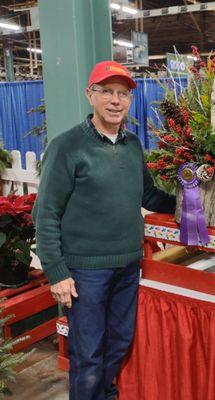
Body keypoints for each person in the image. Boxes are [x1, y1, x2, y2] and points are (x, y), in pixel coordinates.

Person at [32, 61, 175, 400]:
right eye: (106, 92)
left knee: (119, 342)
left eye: (122, 93)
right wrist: (56, 272)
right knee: (88, 353)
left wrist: (192, 206)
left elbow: (149, 194)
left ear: (129, 100)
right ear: (90, 95)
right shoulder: (66, 147)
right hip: (85, 271)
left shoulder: (132, 144)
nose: (115, 100)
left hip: (127, 265)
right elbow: (46, 213)